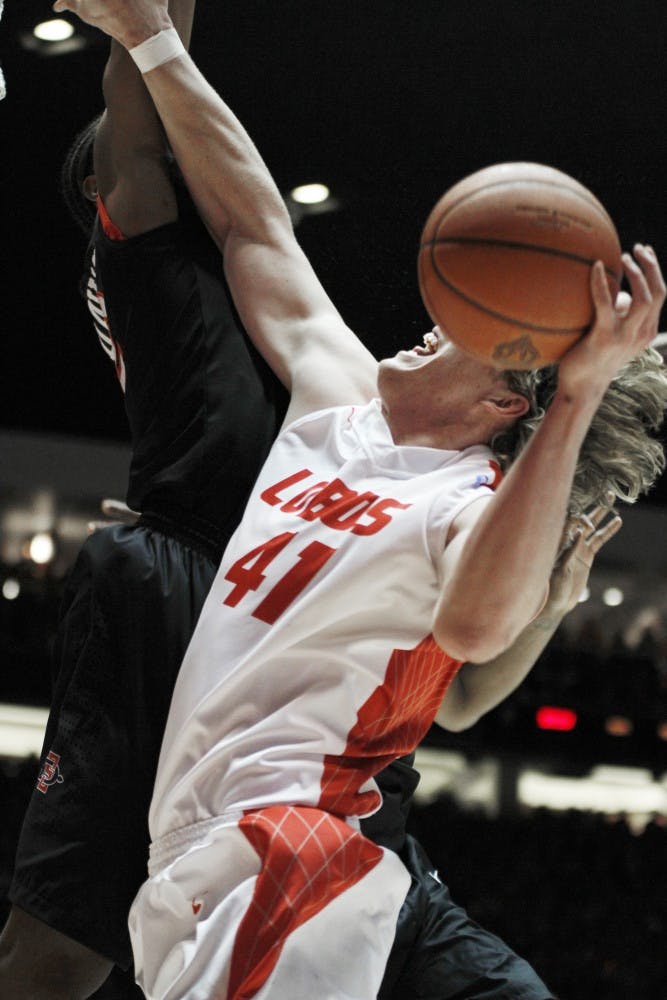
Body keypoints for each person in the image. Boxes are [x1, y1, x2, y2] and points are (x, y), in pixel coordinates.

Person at [49, 1, 667, 998]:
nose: (428, 325)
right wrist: (150, 40)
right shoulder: (336, 403)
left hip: (323, 855)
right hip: (243, 849)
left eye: (461, 329)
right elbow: (250, 218)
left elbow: (470, 626)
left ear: (509, 394)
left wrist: (583, 387)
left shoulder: (469, 502)